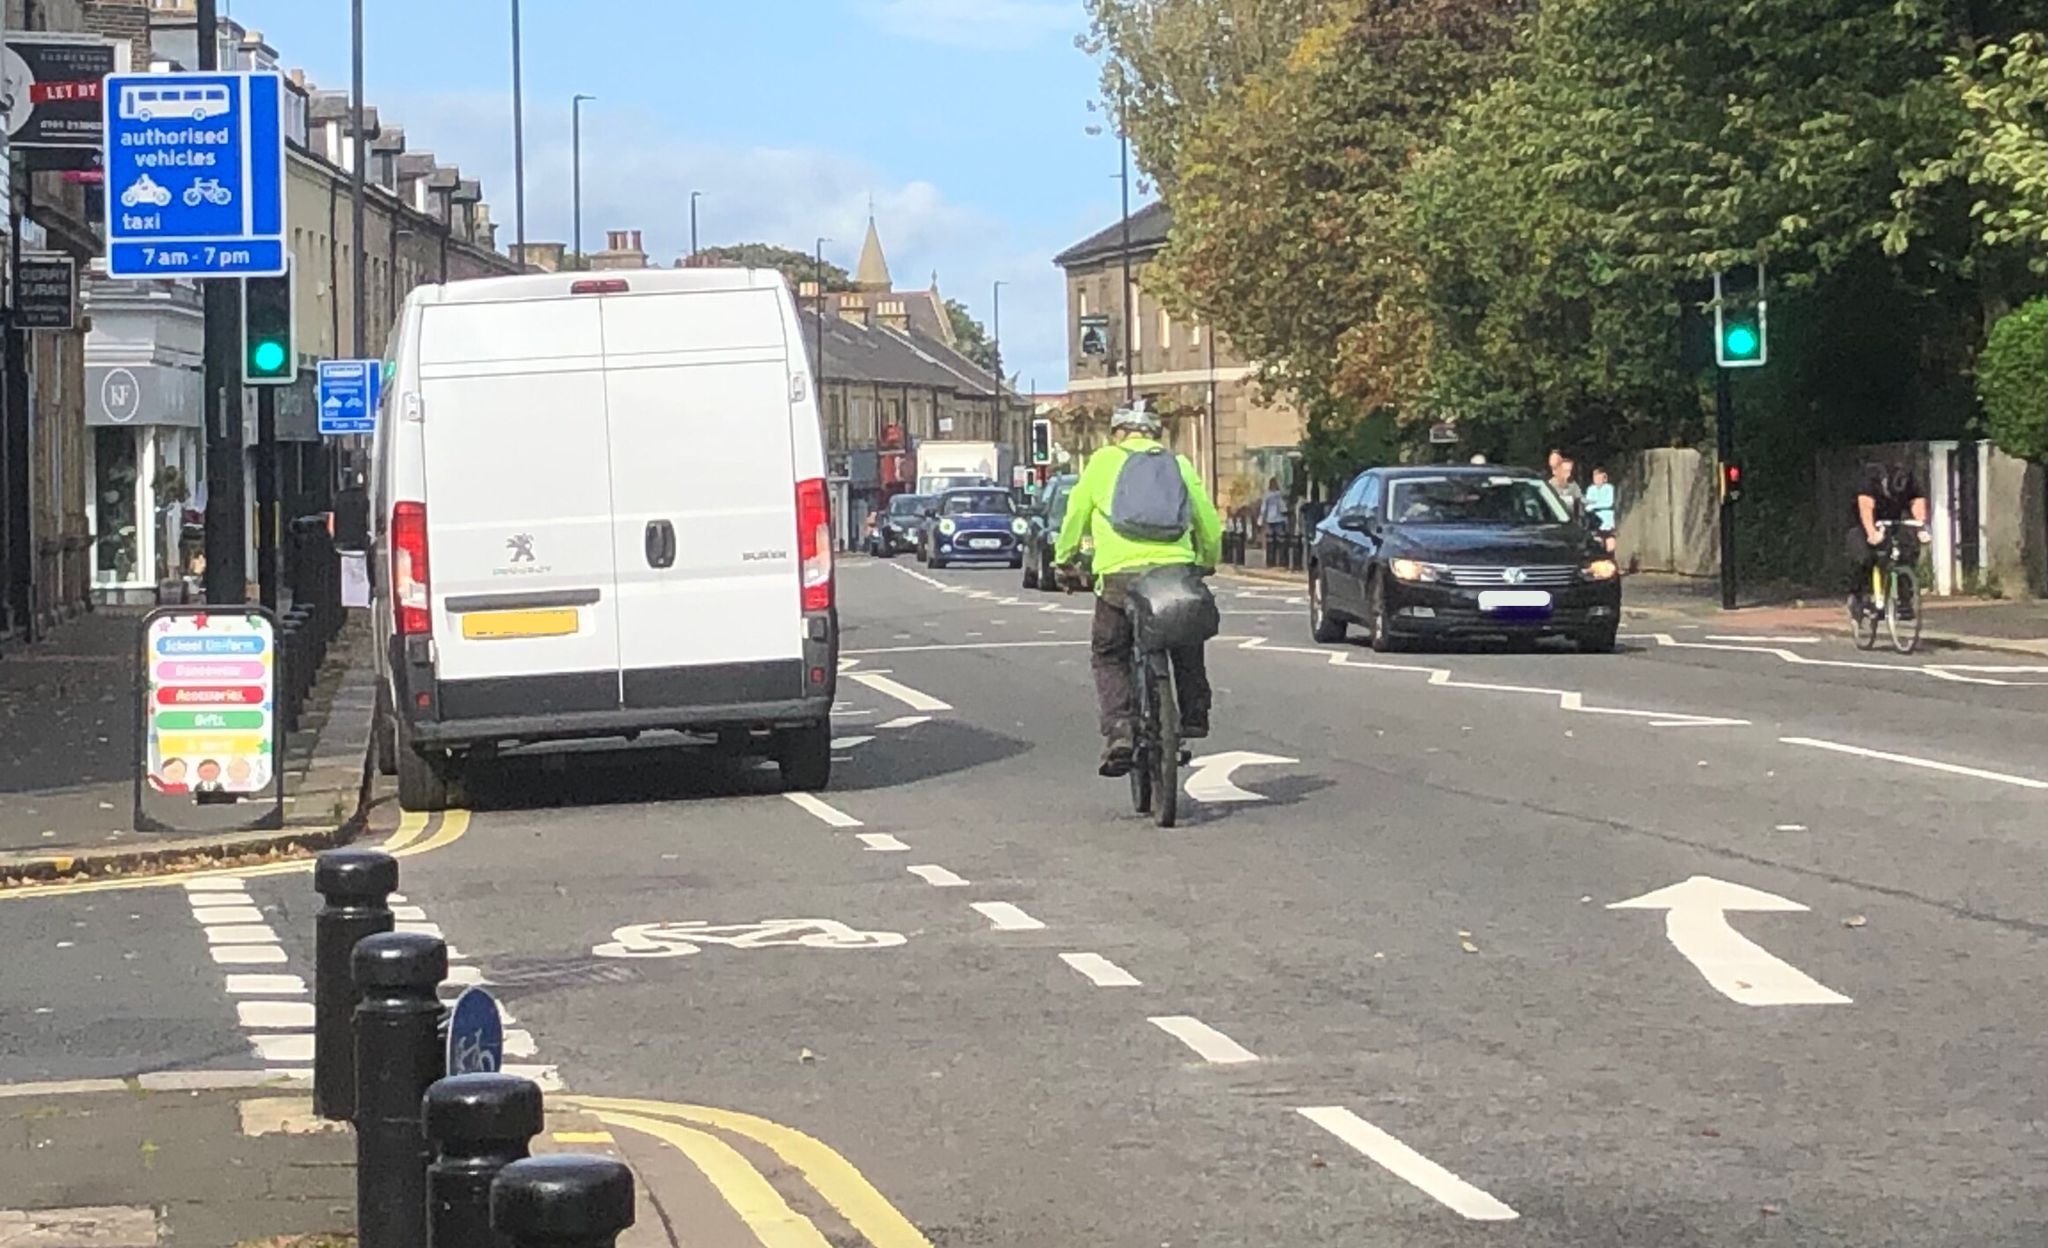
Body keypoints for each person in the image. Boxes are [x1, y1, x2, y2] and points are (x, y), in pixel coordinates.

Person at [1055, 402, 1224, 777]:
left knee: (1110, 652)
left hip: (1118, 576)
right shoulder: (1177, 465)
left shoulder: (1102, 463)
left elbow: (1074, 517)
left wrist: (1063, 560)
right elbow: (1208, 523)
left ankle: (1120, 732)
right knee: (1184, 635)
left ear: (1117, 434)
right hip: (1172, 571)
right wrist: (1205, 560)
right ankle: (1194, 713)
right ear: (1155, 435)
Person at [1848, 461, 1928, 612]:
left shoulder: (1908, 478)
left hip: (1893, 519)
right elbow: (1865, 506)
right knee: (1865, 556)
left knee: (1907, 549)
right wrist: (1872, 533)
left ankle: (1905, 598)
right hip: (1865, 521)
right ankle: (1861, 595)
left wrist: (1920, 527)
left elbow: (1917, 501)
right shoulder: (1871, 477)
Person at [1584, 466, 1618, 553]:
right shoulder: (1590, 489)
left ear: (1604, 477)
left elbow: (1609, 503)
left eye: (1599, 477)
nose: (1597, 479)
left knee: (1610, 547)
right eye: (1595, 477)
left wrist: (1595, 505)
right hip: (1594, 521)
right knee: (1597, 546)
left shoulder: (1609, 488)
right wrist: (1596, 505)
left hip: (1607, 521)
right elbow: (1587, 506)